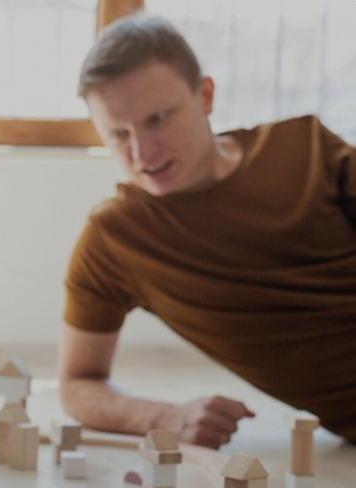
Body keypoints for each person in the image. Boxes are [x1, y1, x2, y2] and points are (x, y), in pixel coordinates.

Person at [59, 14, 356, 449]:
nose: (142, 153)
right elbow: (77, 383)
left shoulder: (306, 148)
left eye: (158, 118)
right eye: (118, 134)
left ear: (205, 95)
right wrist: (166, 417)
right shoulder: (114, 239)